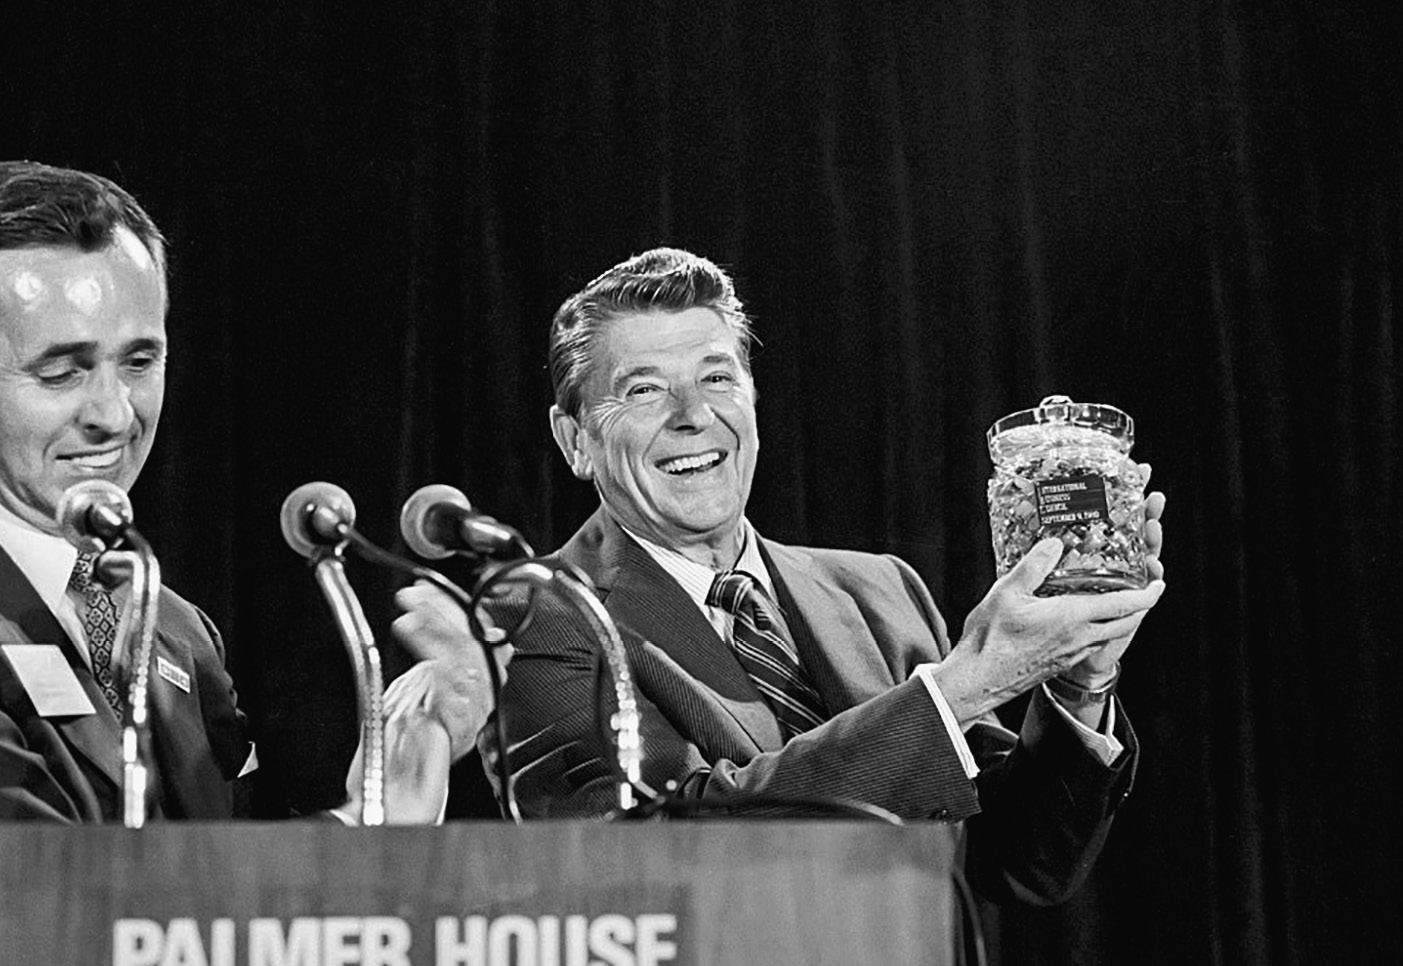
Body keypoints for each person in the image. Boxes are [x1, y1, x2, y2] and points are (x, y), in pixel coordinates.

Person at [405, 246, 1166, 902]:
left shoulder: (881, 591)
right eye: (643, 389)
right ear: (574, 441)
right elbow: (647, 853)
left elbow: (1018, 864)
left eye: (717, 378)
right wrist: (963, 687)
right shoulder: (541, 612)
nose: (691, 415)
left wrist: (1075, 681)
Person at [0, 160, 484, 824]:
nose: (114, 414)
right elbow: (40, 901)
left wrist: (394, 773)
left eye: (140, 362)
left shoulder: (177, 632)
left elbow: (238, 898)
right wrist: (383, 818)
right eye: (62, 371)